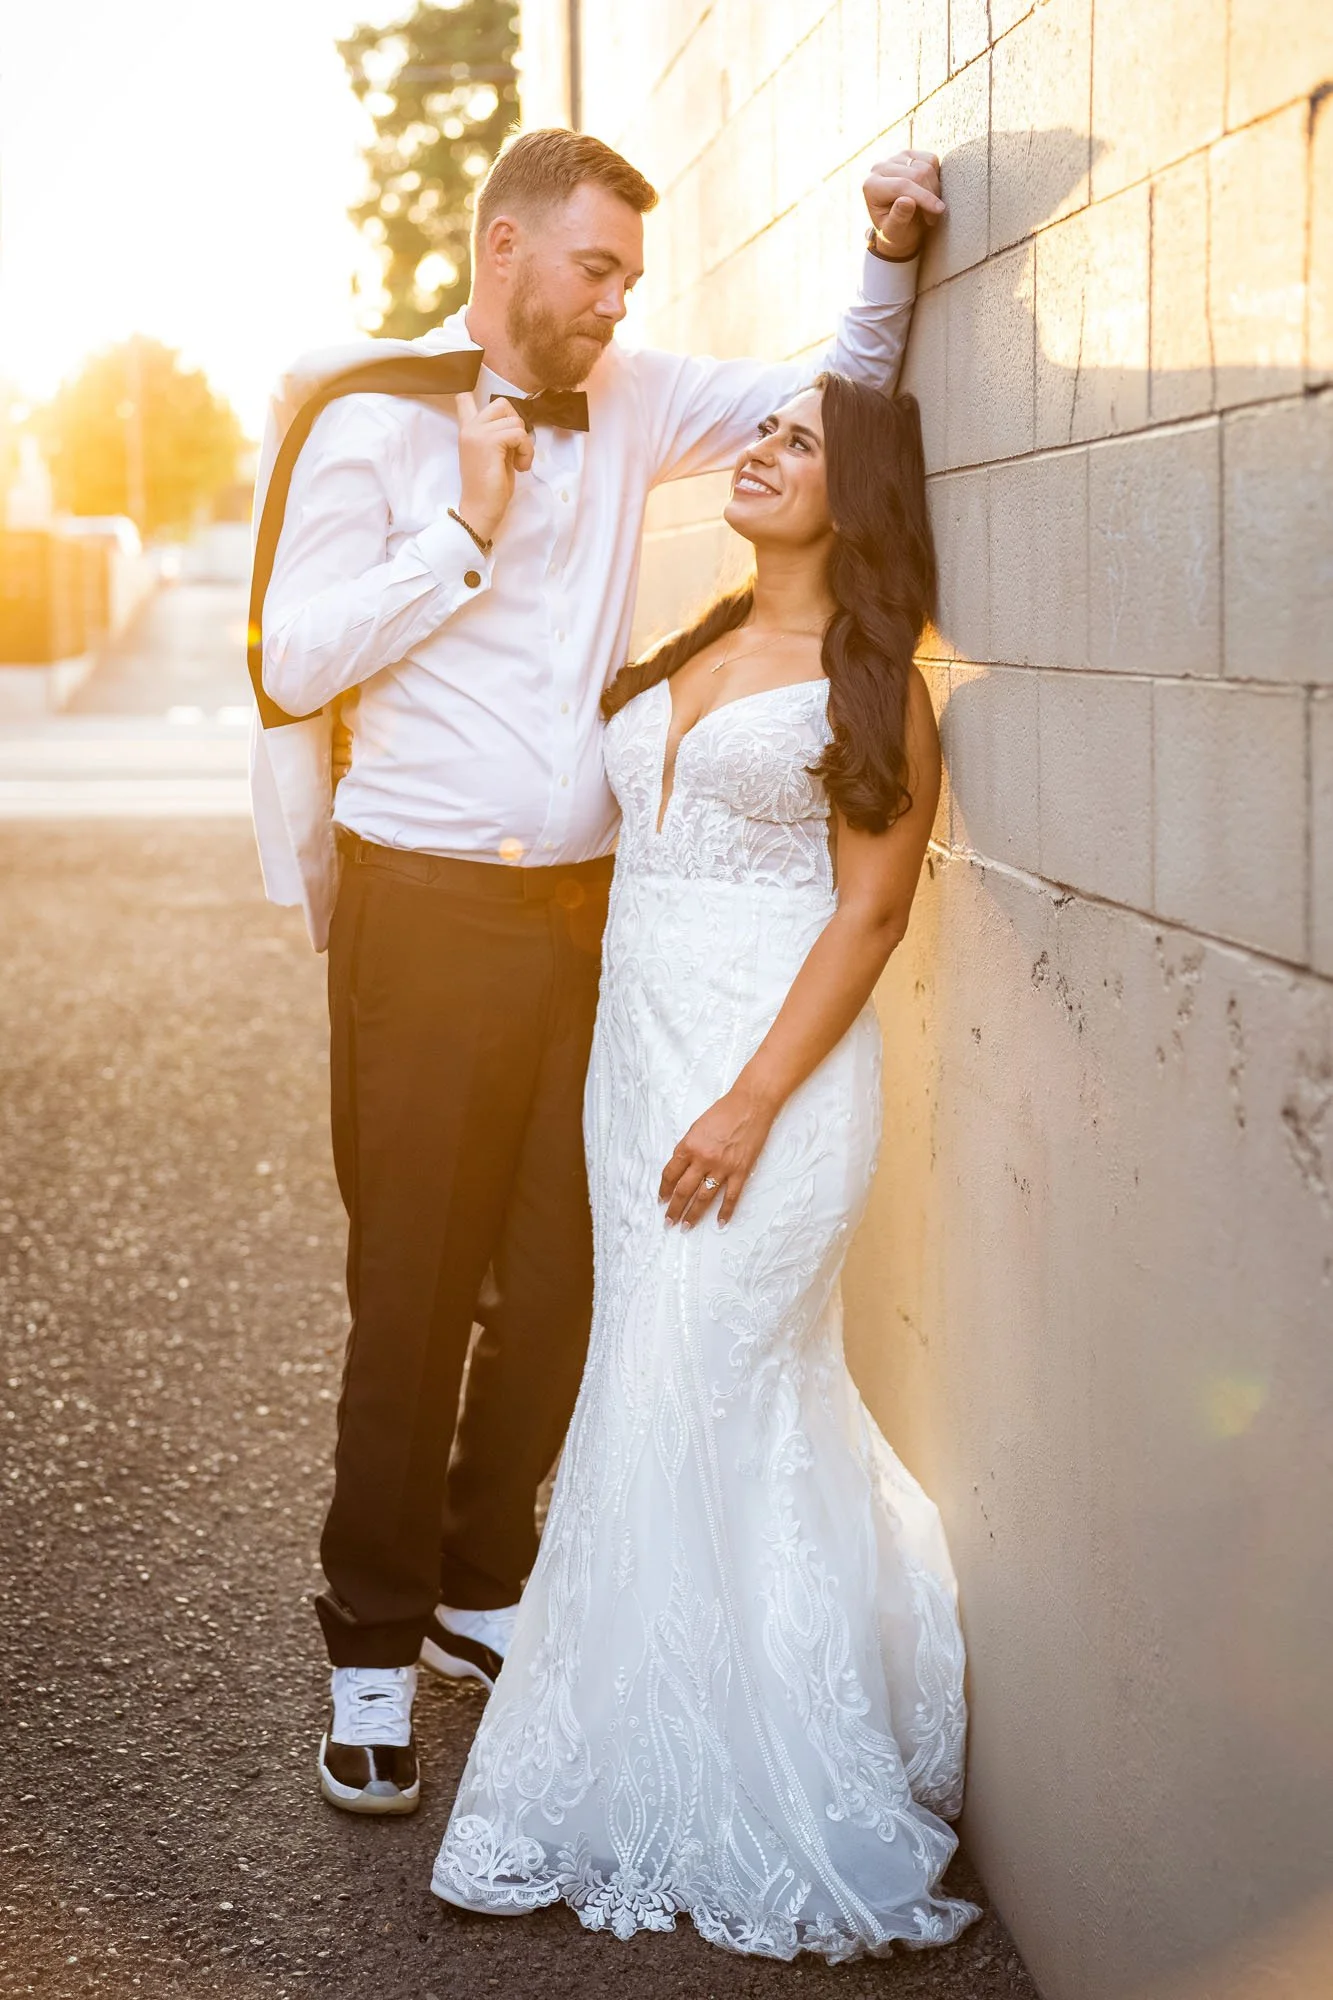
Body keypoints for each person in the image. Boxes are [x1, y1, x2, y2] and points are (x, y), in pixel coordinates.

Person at [248, 126, 944, 1815]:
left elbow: (829, 402)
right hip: (428, 917)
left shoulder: (629, 398)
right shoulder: (366, 420)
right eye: (595, 270)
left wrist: (888, 256)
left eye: (631, 276)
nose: (619, 303)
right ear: (502, 253)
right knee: (412, 1295)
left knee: (562, 1283)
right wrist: (464, 531)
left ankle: (485, 1580)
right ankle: (370, 1650)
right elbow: (290, 659)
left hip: (590, 930)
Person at [431, 370, 978, 1960]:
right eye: (765, 429)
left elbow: (870, 919)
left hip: (768, 1091)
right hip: (637, 1071)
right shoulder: (697, 640)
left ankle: (744, 1770)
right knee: (675, 1395)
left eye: (801, 442)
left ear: (857, 494)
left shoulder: (875, 683)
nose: (764, 449)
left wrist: (746, 1104)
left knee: (691, 1388)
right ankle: (641, 1737)